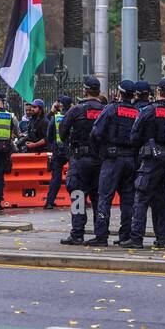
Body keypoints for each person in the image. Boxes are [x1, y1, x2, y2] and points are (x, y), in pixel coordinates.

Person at [90, 80, 141, 246]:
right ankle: (125, 235)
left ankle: (101, 236)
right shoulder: (137, 111)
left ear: (119, 93)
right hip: (130, 159)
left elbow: (96, 132)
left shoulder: (111, 109)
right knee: (128, 200)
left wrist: (100, 152)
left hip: (112, 159)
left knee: (104, 197)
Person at [126, 78, 165, 249]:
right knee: (162, 200)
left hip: (150, 160)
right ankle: (163, 238)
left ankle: (136, 237)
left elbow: (134, 136)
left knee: (141, 198)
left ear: (157, 92)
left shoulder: (148, 111)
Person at [59, 78, 106, 244]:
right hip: (101, 160)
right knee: (99, 198)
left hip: (80, 159)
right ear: (98, 91)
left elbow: (62, 132)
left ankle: (77, 233)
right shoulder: (105, 109)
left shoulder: (76, 110)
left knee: (78, 195)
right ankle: (101, 235)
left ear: (85, 91)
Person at [44, 95, 73, 208]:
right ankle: (80, 202)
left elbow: (49, 136)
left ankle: (49, 203)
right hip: (72, 150)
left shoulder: (55, 118)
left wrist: (54, 147)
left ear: (60, 105)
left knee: (56, 177)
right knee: (75, 177)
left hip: (58, 150)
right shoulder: (74, 116)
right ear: (70, 105)